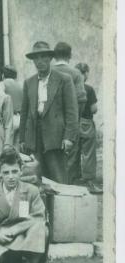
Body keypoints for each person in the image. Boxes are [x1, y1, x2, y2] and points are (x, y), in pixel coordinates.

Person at [19, 41, 79, 184]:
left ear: (50, 58)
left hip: (56, 137)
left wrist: (69, 137)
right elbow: (24, 113)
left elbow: (72, 111)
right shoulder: (29, 82)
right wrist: (22, 139)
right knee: (36, 177)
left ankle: (60, 205)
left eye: (43, 57)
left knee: (58, 178)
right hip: (34, 137)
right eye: (36, 58)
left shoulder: (64, 79)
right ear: (33, 61)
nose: (39, 62)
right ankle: (41, 206)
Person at [53, 42, 87, 184]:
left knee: (52, 160)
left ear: (54, 56)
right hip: (70, 125)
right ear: (70, 55)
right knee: (70, 160)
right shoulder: (75, 73)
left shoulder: (48, 71)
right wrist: (75, 121)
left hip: (50, 126)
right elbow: (81, 100)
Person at [75, 63, 102, 194]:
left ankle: (75, 180)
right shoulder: (88, 89)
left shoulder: (70, 87)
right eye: (87, 72)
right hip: (86, 123)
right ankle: (89, 183)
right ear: (84, 73)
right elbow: (94, 109)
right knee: (89, 153)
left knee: (74, 152)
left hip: (73, 123)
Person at [0, 65, 23, 149]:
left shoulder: (2, 84)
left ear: (3, 75)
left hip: (10, 119)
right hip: (20, 118)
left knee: (7, 146)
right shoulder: (20, 84)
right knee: (16, 147)